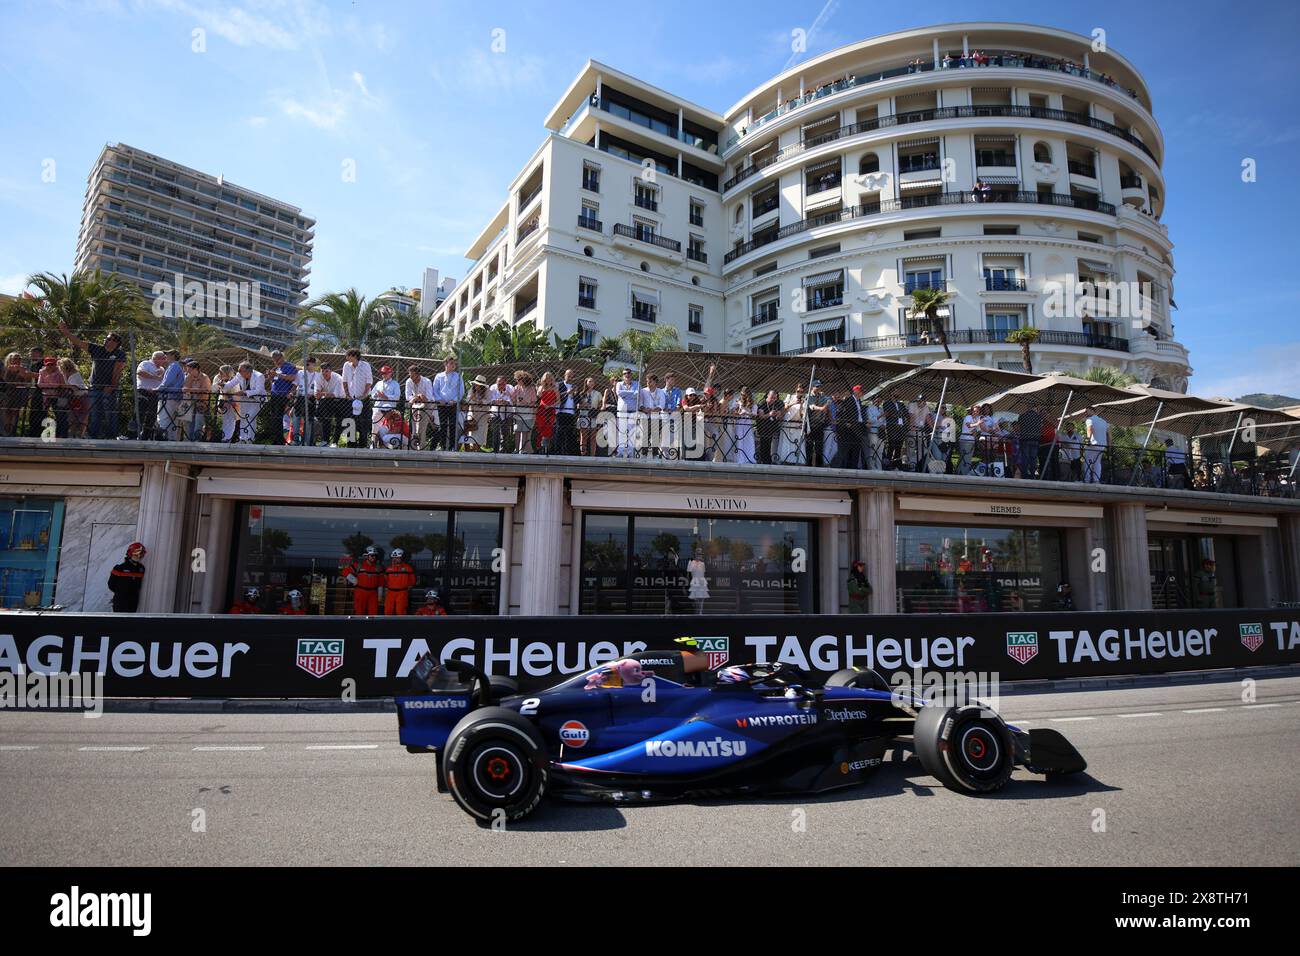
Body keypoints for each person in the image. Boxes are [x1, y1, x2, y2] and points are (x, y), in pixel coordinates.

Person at [57, 323, 125, 439]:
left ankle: (111, 437)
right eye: (106, 338)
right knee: (95, 414)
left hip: (110, 389)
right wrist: (66, 332)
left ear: (115, 342)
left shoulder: (119, 354)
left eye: (109, 339)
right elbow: (78, 342)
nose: (106, 340)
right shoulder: (97, 349)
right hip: (94, 387)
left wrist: (111, 386)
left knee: (111, 414)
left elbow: (117, 371)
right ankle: (94, 437)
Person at [431, 355, 465, 451]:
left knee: (453, 426)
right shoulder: (439, 376)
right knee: (443, 426)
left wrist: (454, 400)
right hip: (441, 405)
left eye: (454, 363)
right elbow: (435, 390)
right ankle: (443, 446)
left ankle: (451, 447)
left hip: (453, 405)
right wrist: (439, 399)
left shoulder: (458, 376)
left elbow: (461, 391)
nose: (453, 365)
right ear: (445, 364)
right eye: (451, 363)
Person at [341, 348, 374, 444]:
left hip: (363, 399)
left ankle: (363, 443)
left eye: (348, 355)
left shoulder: (365, 365)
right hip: (350, 398)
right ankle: (351, 443)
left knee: (363, 421)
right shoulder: (346, 365)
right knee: (349, 420)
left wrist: (363, 396)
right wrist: (347, 394)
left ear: (354, 356)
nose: (347, 357)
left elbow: (369, 381)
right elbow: (344, 380)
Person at [265, 350, 298, 445]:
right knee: (275, 418)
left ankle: (281, 440)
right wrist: (271, 377)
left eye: (277, 359)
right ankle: (277, 439)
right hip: (275, 395)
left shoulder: (289, 366)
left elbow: (292, 377)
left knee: (279, 418)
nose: (276, 361)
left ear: (282, 357)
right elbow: (274, 381)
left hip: (284, 395)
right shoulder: (276, 368)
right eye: (274, 360)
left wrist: (277, 375)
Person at [228, 361, 266, 443]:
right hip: (245, 399)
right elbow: (231, 383)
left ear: (247, 371)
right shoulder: (240, 375)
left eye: (240, 370)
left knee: (250, 417)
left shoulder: (259, 376)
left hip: (257, 399)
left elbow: (259, 390)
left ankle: (250, 439)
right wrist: (223, 385)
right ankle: (242, 439)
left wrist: (244, 392)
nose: (238, 372)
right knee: (243, 418)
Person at [343, 546, 384, 615]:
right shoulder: (359, 565)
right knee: (359, 613)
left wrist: (380, 595)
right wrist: (354, 580)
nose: (374, 557)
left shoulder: (378, 568)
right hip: (360, 592)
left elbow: (381, 582)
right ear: (367, 556)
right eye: (372, 555)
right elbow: (344, 572)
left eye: (375, 555)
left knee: (373, 614)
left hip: (373, 594)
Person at [135, 350, 166, 440]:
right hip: (143, 392)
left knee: (151, 415)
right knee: (140, 413)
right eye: (163, 359)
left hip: (155, 394)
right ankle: (132, 434)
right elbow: (140, 372)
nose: (164, 360)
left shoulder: (162, 369)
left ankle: (145, 435)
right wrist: (154, 377)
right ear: (156, 358)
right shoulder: (145, 363)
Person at [108, 542, 147, 613]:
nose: (139, 556)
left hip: (133, 602)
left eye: (141, 554)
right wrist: (121, 592)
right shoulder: (119, 568)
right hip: (120, 601)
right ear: (130, 553)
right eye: (136, 553)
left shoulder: (141, 569)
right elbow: (111, 585)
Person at [314, 364, 347, 446]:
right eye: (322, 371)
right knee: (326, 420)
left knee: (339, 422)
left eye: (326, 371)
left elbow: (335, 395)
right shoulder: (318, 377)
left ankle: (335, 442)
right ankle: (325, 441)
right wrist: (319, 394)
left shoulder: (338, 378)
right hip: (327, 400)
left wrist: (321, 393)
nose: (324, 373)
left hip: (340, 400)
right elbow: (317, 393)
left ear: (331, 371)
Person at [180, 358, 211, 441]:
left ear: (195, 369)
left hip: (201, 404)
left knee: (198, 422)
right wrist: (188, 390)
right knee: (188, 422)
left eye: (189, 369)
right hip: (190, 403)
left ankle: (197, 440)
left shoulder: (204, 377)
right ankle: (189, 440)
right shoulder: (189, 377)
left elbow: (206, 390)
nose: (187, 371)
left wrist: (191, 390)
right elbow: (185, 387)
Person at [405, 366, 436, 450]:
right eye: (410, 375)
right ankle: (414, 447)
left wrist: (417, 397)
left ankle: (421, 448)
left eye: (412, 375)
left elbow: (428, 398)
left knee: (421, 427)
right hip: (416, 404)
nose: (411, 378)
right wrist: (417, 397)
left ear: (418, 374)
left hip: (428, 405)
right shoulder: (409, 381)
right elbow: (408, 397)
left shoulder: (426, 381)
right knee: (414, 427)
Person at [36, 356, 68, 438]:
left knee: (60, 416)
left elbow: (62, 384)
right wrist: (53, 386)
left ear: (55, 365)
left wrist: (49, 386)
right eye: (48, 365)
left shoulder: (60, 372)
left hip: (58, 396)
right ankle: (42, 434)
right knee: (42, 415)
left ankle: (61, 434)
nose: (50, 366)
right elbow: (39, 384)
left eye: (52, 365)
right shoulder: (42, 372)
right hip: (46, 396)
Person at [369, 365, 401, 445]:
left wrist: (386, 397)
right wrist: (377, 395)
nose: (384, 375)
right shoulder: (378, 383)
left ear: (390, 373)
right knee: (375, 427)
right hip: (378, 408)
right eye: (382, 373)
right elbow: (372, 394)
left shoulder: (395, 384)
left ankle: (386, 446)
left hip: (389, 411)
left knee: (387, 428)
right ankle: (373, 444)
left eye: (385, 373)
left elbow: (397, 397)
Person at [57, 357, 89, 438]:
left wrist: (64, 386)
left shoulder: (75, 374)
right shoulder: (64, 374)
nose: (59, 368)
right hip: (73, 398)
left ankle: (80, 435)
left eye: (60, 366)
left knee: (82, 417)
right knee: (72, 418)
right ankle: (72, 435)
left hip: (82, 397)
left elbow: (75, 387)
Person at [615, 368, 640, 458]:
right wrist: (631, 393)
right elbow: (619, 393)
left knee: (632, 433)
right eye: (625, 373)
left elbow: (637, 394)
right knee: (621, 433)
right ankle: (620, 452)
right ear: (623, 376)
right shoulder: (619, 384)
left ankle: (630, 452)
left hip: (633, 412)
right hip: (621, 412)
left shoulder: (637, 383)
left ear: (631, 374)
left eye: (628, 373)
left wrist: (626, 394)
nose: (627, 375)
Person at [384, 548, 416, 615]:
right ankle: (387, 624)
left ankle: (401, 625)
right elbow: (385, 580)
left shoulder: (408, 568)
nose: (395, 559)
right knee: (388, 610)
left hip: (402, 592)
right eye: (393, 558)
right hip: (390, 592)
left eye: (397, 558)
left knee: (400, 611)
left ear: (401, 558)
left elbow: (412, 581)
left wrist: (407, 589)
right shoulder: (388, 568)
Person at [805, 380, 831, 467]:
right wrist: (822, 408)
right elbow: (812, 406)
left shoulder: (822, 396)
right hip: (811, 423)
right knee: (809, 445)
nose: (819, 388)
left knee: (819, 445)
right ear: (812, 387)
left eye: (819, 386)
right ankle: (808, 464)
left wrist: (826, 403)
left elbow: (829, 401)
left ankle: (818, 464)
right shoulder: (808, 396)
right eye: (817, 386)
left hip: (820, 423)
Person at [512, 369, 537, 454]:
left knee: (525, 432)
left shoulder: (531, 389)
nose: (517, 381)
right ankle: (516, 449)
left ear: (523, 380)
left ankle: (523, 449)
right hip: (518, 413)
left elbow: (534, 402)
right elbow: (512, 399)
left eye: (518, 379)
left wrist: (526, 403)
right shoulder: (516, 388)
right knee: (517, 432)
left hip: (528, 413)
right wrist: (517, 401)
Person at [462, 375, 491, 451]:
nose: (475, 385)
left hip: (483, 415)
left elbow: (489, 400)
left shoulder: (487, 391)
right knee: (472, 434)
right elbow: (468, 400)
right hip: (474, 414)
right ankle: (471, 450)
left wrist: (479, 401)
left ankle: (477, 450)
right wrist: (475, 401)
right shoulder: (472, 390)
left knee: (481, 434)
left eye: (477, 384)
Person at [487, 373, 514, 453]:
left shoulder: (510, 388)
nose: (500, 386)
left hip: (507, 412)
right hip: (496, 412)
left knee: (505, 432)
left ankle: (504, 450)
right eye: (499, 384)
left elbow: (513, 401)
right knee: (496, 431)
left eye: (502, 384)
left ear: (506, 383)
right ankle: (495, 449)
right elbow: (490, 400)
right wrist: (496, 401)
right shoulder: (492, 387)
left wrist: (505, 402)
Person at [555, 368, 579, 456]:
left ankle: (568, 452)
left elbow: (577, 400)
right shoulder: (559, 385)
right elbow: (556, 396)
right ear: (564, 375)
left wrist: (576, 394)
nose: (570, 377)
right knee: (559, 432)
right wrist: (567, 392)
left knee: (569, 433)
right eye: (568, 375)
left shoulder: (574, 386)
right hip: (561, 411)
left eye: (571, 375)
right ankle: (557, 451)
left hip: (571, 413)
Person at [578, 375, 603, 456]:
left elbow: (600, 406)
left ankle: (592, 455)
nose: (592, 383)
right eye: (590, 381)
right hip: (584, 415)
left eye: (593, 381)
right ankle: (583, 453)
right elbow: (577, 406)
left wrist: (596, 411)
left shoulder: (598, 393)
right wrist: (583, 405)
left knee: (593, 437)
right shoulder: (582, 393)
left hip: (593, 415)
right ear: (586, 383)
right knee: (583, 436)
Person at [535, 371, 559, 454]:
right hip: (542, 410)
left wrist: (551, 405)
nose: (548, 380)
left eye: (550, 378)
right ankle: (539, 447)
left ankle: (547, 448)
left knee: (549, 429)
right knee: (540, 428)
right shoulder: (541, 387)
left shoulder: (555, 389)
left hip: (551, 410)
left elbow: (558, 401)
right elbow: (538, 397)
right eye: (546, 378)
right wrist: (540, 389)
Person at [1017, 405, 1043, 478]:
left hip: (1025, 439)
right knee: (1033, 458)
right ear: (1035, 408)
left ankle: (1024, 474)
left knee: (1025, 457)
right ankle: (1032, 474)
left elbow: (1020, 425)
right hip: (1035, 439)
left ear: (1028, 408)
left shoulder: (1022, 416)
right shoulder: (1038, 417)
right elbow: (1040, 427)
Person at [1083, 406, 1108, 483]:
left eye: (1087, 411)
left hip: (1092, 444)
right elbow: (1108, 434)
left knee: (1087, 462)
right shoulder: (1104, 421)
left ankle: (1087, 479)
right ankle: (1096, 480)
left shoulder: (1089, 420)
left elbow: (1089, 429)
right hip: (1101, 445)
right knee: (1097, 463)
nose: (1086, 413)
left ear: (1092, 411)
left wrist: (1088, 440)